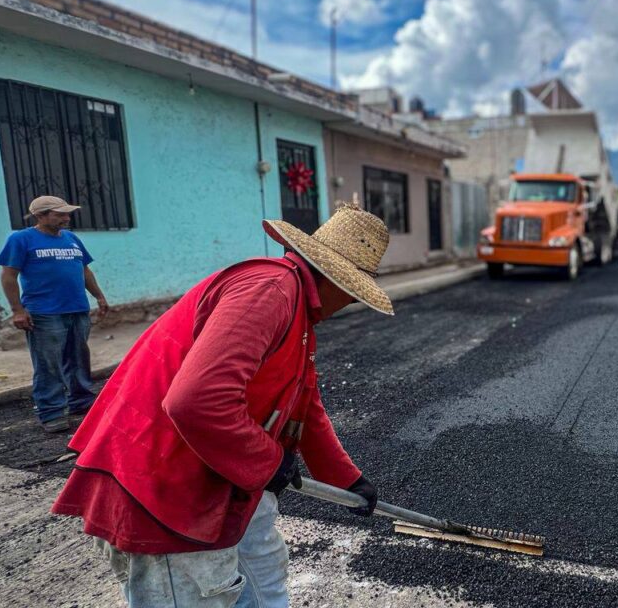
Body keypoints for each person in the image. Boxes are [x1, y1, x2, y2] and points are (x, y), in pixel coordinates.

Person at [52, 203, 390, 607]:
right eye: (353, 292)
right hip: (163, 477)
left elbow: (305, 404)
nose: (350, 303)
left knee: (266, 582)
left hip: (224, 472)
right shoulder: (269, 291)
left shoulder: (298, 311)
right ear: (333, 277)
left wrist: (345, 480)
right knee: (197, 596)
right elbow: (196, 400)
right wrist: (268, 462)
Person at [0, 196, 109, 433]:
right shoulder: (21, 239)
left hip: (77, 309)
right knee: (49, 365)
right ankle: (52, 412)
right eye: (60, 214)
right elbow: (8, 276)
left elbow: (84, 270)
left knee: (78, 359)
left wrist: (98, 296)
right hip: (44, 313)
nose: (67, 218)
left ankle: (82, 402)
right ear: (41, 216)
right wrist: (17, 310)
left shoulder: (71, 238)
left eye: (68, 214)